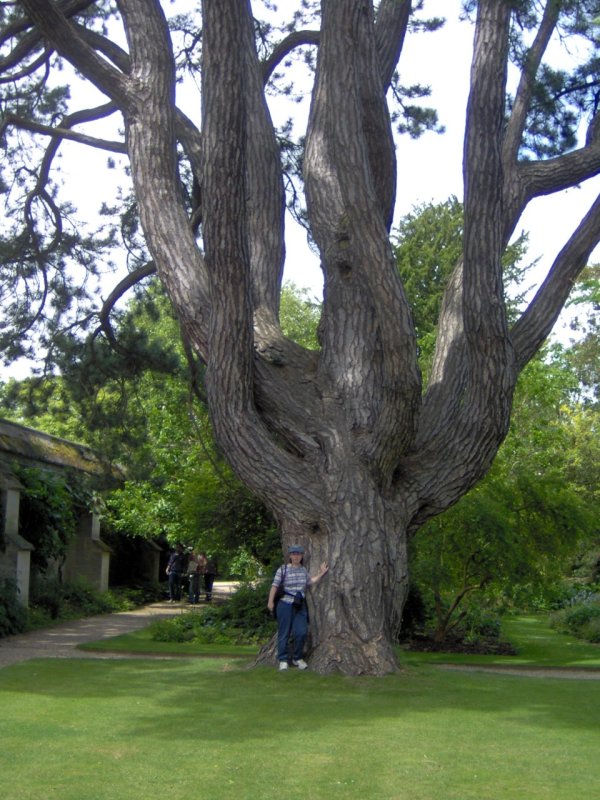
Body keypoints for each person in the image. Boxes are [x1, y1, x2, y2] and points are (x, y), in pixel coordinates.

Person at [267, 544, 329, 671]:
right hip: (284, 604)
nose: (296, 556)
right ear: (290, 556)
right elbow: (274, 586)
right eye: (294, 554)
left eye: (298, 554)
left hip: (299, 605)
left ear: (301, 556)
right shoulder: (283, 569)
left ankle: (297, 657)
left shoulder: (303, 570)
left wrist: (321, 573)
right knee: (284, 633)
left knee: (301, 632)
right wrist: (270, 602)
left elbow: (309, 582)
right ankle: (283, 660)